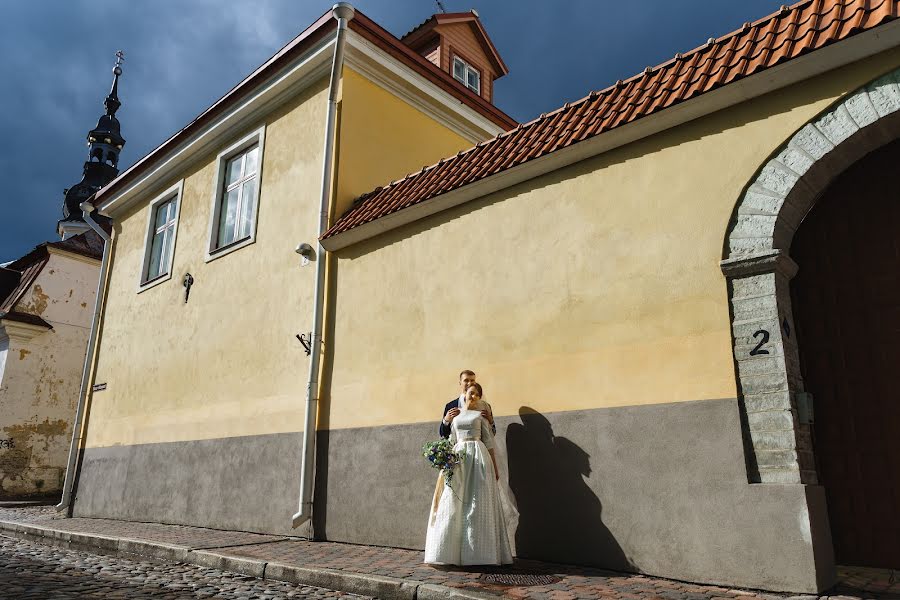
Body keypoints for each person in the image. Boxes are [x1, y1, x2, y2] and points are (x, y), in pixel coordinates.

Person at [424, 383, 513, 566]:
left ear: (480, 397)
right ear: (464, 394)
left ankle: (479, 554)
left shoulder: (481, 415)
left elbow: (488, 441)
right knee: (454, 499)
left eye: (475, 394)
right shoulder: (455, 414)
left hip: (478, 456)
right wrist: (445, 459)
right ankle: (449, 553)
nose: (471, 396)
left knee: (477, 500)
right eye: (469, 393)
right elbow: (451, 438)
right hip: (459, 458)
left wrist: (495, 468)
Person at [440, 370, 495, 438]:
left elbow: (493, 432)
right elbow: (443, 434)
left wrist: (491, 421)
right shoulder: (451, 406)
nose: (469, 383)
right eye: (466, 380)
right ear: (460, 383)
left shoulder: (485, 406)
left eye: (472, 380)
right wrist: (446, 420)